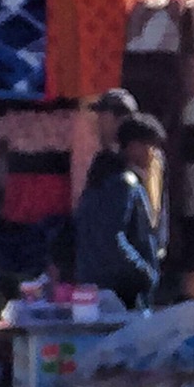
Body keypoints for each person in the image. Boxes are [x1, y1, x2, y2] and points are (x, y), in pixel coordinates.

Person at [74, 114, 166, 310]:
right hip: (123, 294)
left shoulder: (100, 179)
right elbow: (113, 238)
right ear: (134, 146)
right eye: (150, 146)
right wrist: (145, 275)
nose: (153, 154)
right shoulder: (123, 184)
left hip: (98, 287)